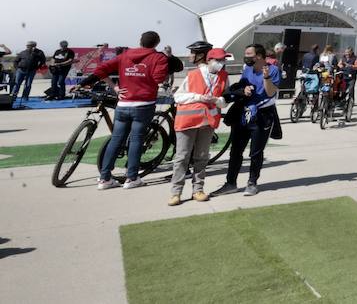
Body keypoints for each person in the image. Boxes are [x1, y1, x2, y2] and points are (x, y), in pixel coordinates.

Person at [77, 31, 169, 189]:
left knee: (116, 139)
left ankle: (104, 178)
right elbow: (158, 79)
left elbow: (101, 70)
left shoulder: (125, 55)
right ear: (156, 43)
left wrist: (110, 86)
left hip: (123, 104)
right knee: (136, 140)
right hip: (144, 105)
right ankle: (132, 178)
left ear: (140, 41)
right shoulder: (159, 57)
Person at [215, 43, 280, 197]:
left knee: (256, 152)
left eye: (249, 54)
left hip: (263, 116)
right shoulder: (247, 69)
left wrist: (266, 77)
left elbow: (270, 92)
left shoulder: (273, 70)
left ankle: (252, 183)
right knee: (236, 150)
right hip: (244, 113)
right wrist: (243, 90)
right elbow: (243, 86)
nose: (246, 57)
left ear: (259, 56)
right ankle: (230, 183)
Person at [168, 42, 228, 206]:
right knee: (182, 157)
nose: (222, 63)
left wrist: (217, 100)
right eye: (219, 60)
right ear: (209, 59)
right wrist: (199, 97)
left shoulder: (224, 77)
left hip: (208, 122)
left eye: (223, 60)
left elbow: (224, 101)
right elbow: (178, 97)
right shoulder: (193, 74)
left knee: (201, 157)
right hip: (188, 122)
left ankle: (198, 190)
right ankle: (176, 193)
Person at [12, 40, 47, 107]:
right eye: (27, 46)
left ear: (34, 46)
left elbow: (43, 60)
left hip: (31, 71)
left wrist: (37, 67)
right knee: (17, 84)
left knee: (28, 84)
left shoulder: (39, 52)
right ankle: (14, 97)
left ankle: (25, 97)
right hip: (21, 70)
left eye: (29, 46)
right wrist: (17, 68)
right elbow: (16, 61)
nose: (28, 47)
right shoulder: (23, 52)